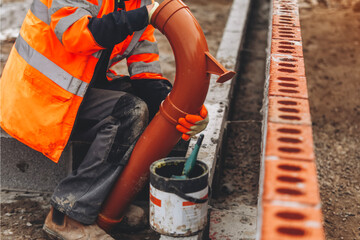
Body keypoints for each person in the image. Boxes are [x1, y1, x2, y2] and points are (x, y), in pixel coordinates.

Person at [0, 0, 209, 239]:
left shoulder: (138, 4)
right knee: (127, 112)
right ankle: (67, 215)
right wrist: (140, 16)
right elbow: (77, 35)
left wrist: (183, 110)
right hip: (37, 94)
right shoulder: (140, 11)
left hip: (77, 89)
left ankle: (111, 201)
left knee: (148, 107)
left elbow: (147, 77)